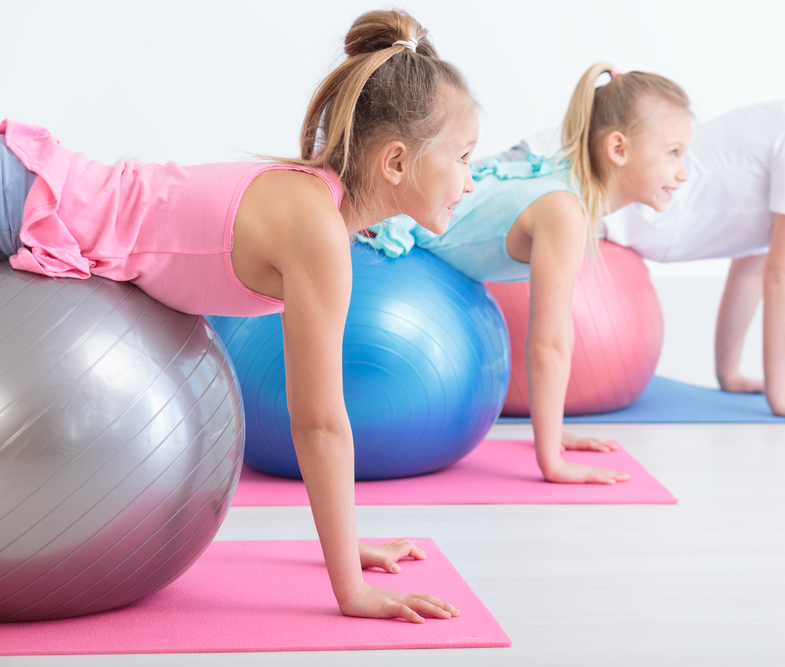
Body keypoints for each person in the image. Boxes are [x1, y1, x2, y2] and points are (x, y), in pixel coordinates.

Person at [0, 10, 476, 623]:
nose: (469, 179)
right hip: (20, 194)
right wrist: (349, 592)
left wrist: (345, 545)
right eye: (463, 157)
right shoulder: (317, 231)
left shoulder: (310, 206)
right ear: (395, 162)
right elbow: (320, 423)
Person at [504, 58, 785, 422]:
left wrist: (729, 375)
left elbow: (752, 258)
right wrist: (780, 393)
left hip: (583, 207)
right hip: (551, 180)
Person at [359, 63, 692, 484]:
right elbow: (548, 343)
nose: (683, 172)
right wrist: (550, 459)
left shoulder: (569, 195)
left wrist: (554, 432)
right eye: (674, 153)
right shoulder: (565, 210)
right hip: (379, 232)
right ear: (619, 149)